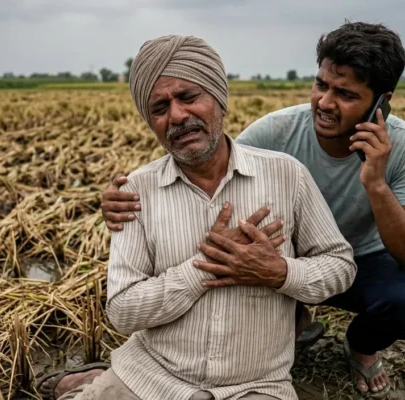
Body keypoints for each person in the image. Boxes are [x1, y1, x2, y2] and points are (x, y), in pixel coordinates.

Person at [100, 22, 405, 396]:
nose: (325, 103)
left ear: (381, 102)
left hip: (358, 265)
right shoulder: (277, 132)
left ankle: (360, 346)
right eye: (321, 85)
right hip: (277, 257)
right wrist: (136, 194)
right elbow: (204, 157)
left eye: (345, 93)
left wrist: (375, 183)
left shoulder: (404, 147)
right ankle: (294, 319)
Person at [37, 34, 357, 400]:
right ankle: (92, 381)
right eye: (159, 108)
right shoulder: (135, 193)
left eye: (189, 97)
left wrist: (279, 272)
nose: (176, 115)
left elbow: (340, 267)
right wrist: (202, 267)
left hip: (254, 386)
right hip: (150, 377)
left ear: (220, 100)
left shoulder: (288, 175)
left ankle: (83, 380)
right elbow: (122, 312)